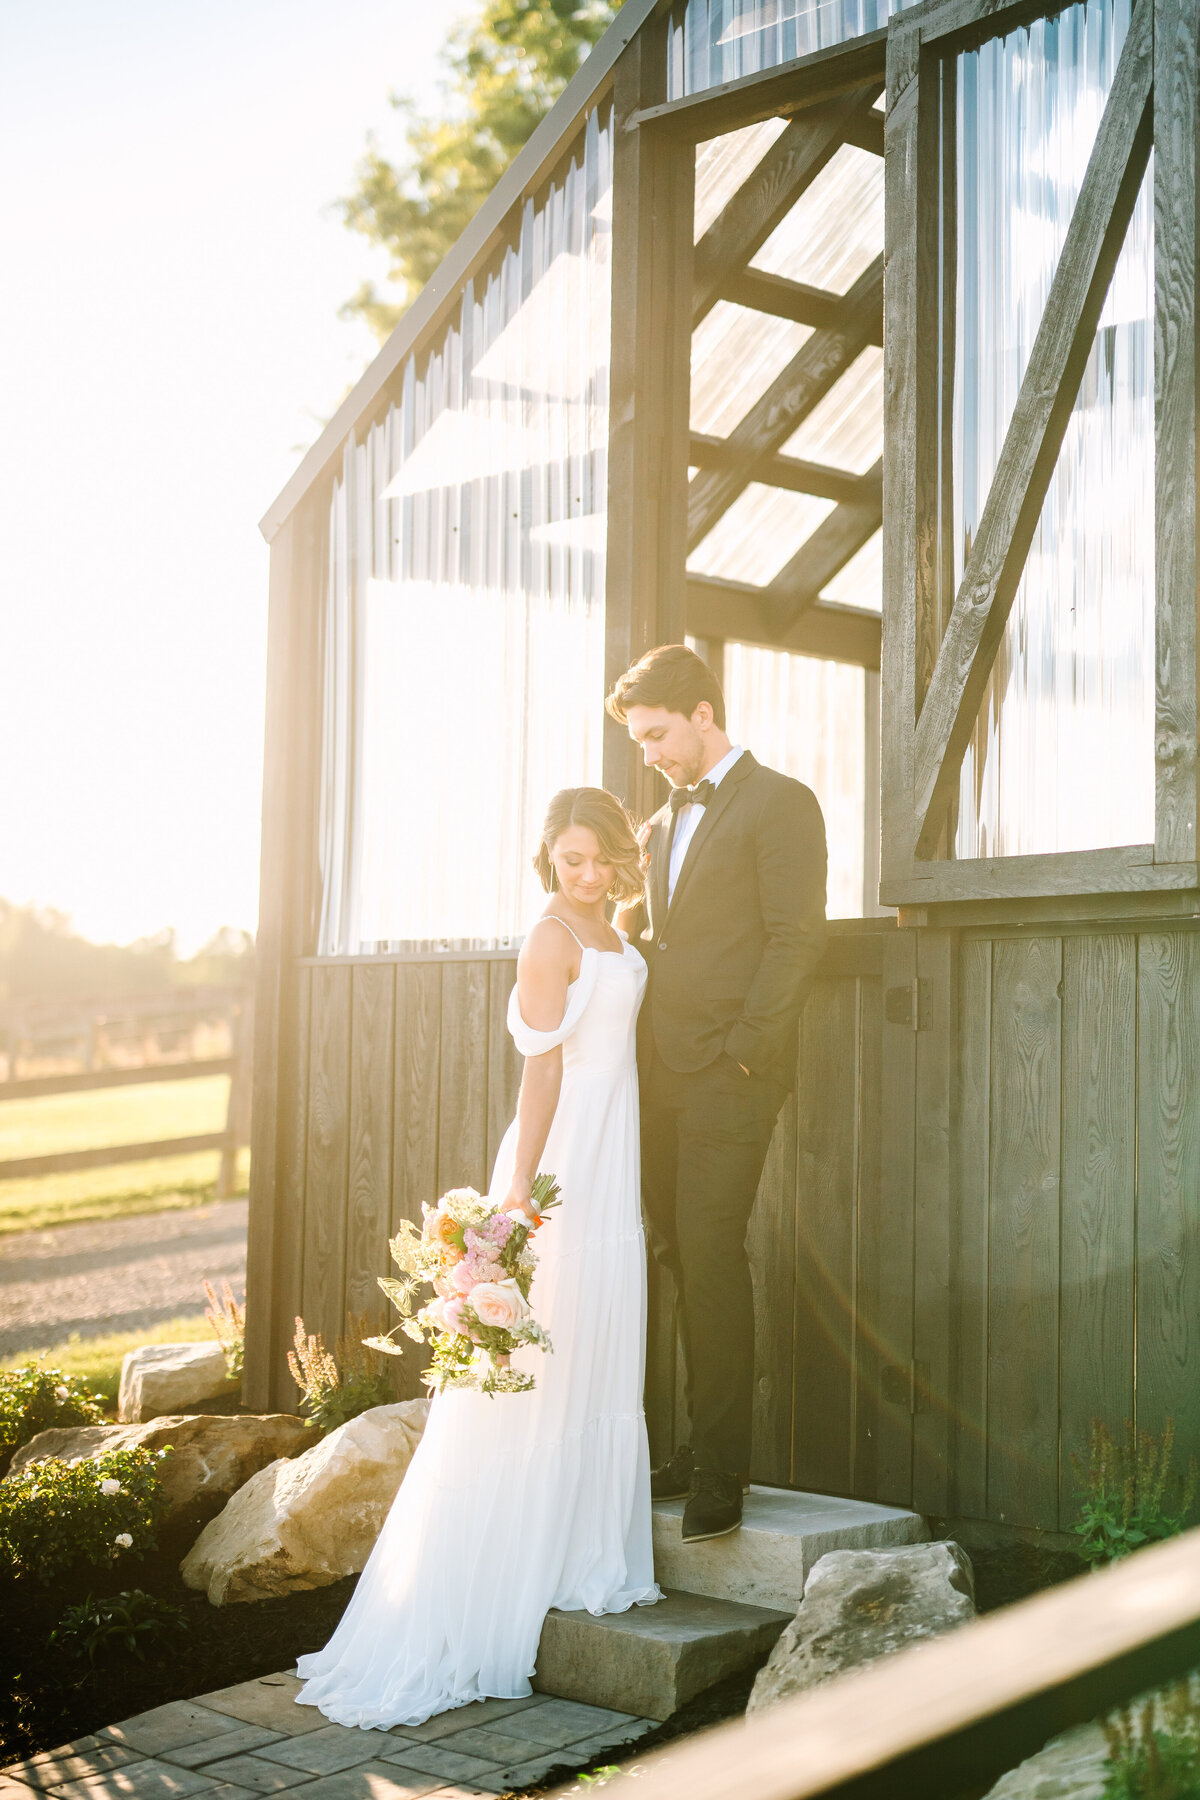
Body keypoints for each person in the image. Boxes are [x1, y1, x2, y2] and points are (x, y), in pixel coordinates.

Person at [294, 787, 660, 1730]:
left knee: (589, 1352)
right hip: (564, 1160)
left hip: (614, 1154)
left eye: (599, 857)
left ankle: (582, 1547)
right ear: (549, 859)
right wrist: (515, 1206)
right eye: (569, 859)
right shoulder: (552, 938)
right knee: (539, 1362)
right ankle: (505, 1563)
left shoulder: (611, 923)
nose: (585, 872)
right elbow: (542, 1070)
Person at [607, 643, 827, 1546]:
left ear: (702, 713)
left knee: (708, 1251)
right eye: (640, 740)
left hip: (732, 1080)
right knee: (671, 1254)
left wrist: (745, 1055)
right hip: (658, 1075)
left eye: (658, 734)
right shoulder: (659, 824)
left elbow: (795, 938)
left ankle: (721, 1475)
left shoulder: (782, 804)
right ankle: (693, 1448)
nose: (650, 754)